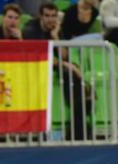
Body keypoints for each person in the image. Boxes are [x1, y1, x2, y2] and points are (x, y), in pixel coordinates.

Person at [24, 2, 94, 141]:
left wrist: (56, 37)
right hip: (35, 66)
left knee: (72, 79)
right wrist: (68, 65)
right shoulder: (31, 29)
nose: (50, 19)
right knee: (71, 74)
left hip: (54, 66)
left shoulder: (57, 29)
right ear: (41, 17)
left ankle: (78, 127)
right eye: (47, 16)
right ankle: (80, 126)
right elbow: (42, 55)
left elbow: (64, 55)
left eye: (53, 16)